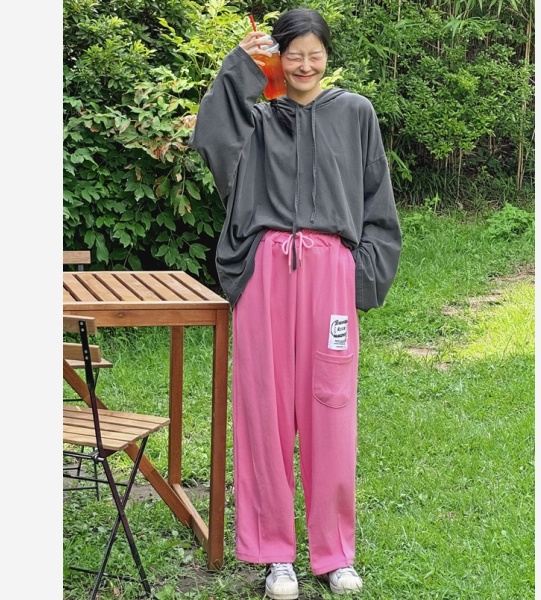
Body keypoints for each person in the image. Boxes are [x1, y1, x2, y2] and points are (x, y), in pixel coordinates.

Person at [189, 8, 401, 599]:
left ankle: (334, 554)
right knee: (264, 410)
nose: (305, 65)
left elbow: (377, 200)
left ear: (327, 56)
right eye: (293, 54)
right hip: (265, 275)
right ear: (278, 59)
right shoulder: (256, 119)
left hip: (331, 277)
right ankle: (274, 554)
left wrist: (359, 275)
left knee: (332, 408)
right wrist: (241, 65)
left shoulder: (355, 113)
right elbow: (211, 138)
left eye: (314, 54)